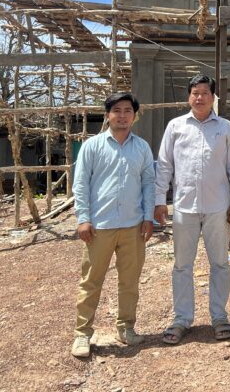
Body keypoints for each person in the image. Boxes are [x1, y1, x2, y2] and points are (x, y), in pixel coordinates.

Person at [154, 74, 230, 344]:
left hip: (218, 207)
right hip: (184, 206)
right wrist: (159, 200)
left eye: (205, 92)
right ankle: (181, 319)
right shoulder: (175, 126)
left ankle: (220, 317)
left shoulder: (225, 128)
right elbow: (164, 166)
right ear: (188, 97)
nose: (200, 97)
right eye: (195, 92)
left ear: (213, 97)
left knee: (220, 263)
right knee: (182, 265)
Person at [71, 92, 155, 358]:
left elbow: (148, 183)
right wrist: (83, 218)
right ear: (107, 115)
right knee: (91, 281)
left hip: (133, 226)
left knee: (129, 282)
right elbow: (81, 184)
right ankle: (82, 334)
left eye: (128, 111)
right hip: (100, 227)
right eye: (116, 110)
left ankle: (126, 328)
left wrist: (148, 217)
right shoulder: (92, 146)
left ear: (134, 116)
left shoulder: (141, 148)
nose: (122, 115)